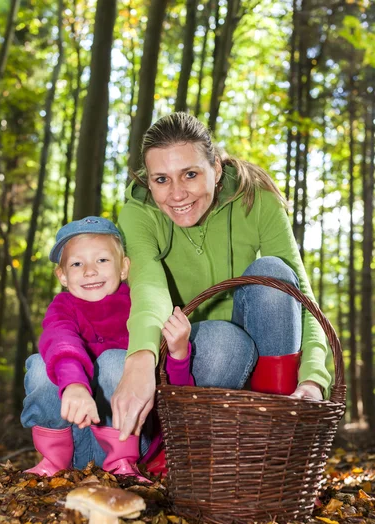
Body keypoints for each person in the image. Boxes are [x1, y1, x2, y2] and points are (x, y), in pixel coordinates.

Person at [113, 111, 331, 447]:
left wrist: (314, 378)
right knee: (223, 344)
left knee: (274, 273)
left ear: (215, 169)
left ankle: (276, 431)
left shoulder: (254, 197)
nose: (177, 194)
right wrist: (141, 359)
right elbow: (148, 287)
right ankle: (197, 446)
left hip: (261, 351)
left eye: (189, 174)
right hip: (192, 355)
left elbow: (302, 297)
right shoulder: (138, 213)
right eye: (161, 179)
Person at [21, 216, 192, 478]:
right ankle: (53, 459)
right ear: (62, 275)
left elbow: (175, 392)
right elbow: (60, 341)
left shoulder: (141, 310)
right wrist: (74, 385)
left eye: (102, 260)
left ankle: (122, 463)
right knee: (40, 365)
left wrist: (179, 354)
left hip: (130, 440)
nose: (90, 270)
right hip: (74, 442)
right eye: (77, 263)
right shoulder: (62, 308)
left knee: (115, 360)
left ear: (124, 268)